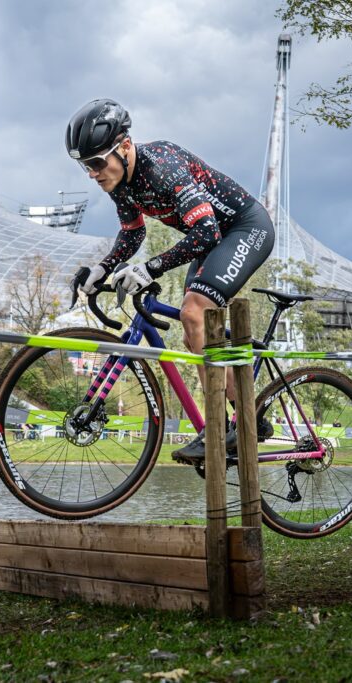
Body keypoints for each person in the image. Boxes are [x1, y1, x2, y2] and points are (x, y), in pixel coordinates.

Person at [66, 99, 274, 464]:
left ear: (125, 147)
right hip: (213, 238)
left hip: (243, 229)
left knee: (194, 313)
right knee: (193, 327)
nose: (93, 173)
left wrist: (149, 269)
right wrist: (103, 268)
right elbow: (132, 234)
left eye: (98, 162)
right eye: (86, 166)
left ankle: (230, 425)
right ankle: (239, 418)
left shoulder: (162, 167)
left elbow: (207, 232)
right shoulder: (120, 184)